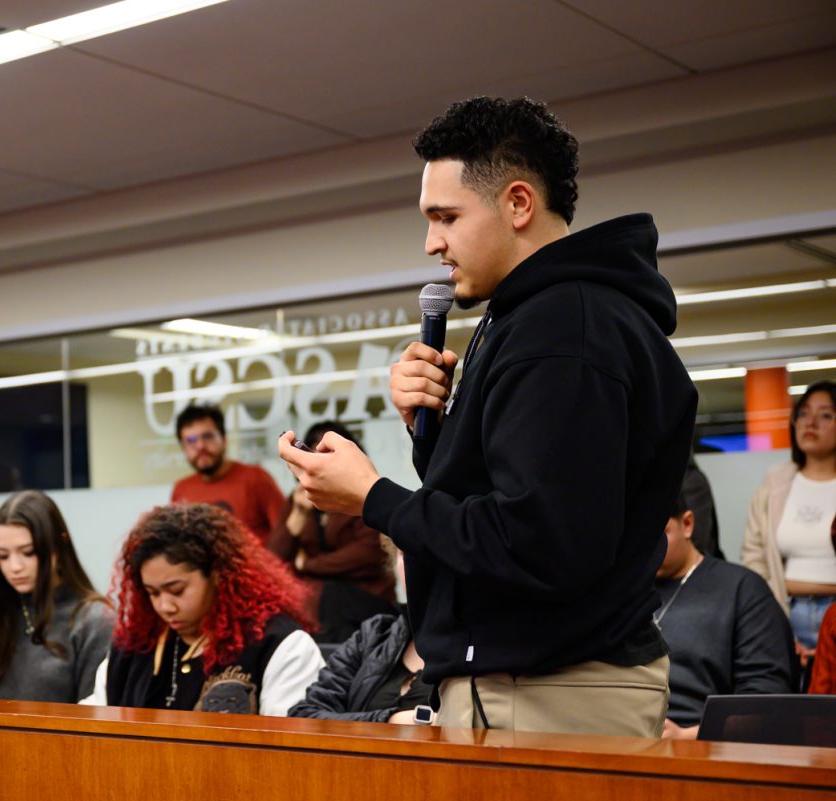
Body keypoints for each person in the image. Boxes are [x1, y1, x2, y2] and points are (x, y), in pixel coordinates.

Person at [279, 96, 697, 737]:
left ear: (519, 204)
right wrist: (433, 431)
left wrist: (373, 498)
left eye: (446, 217)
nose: (431, 243)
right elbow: (517, 501)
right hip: (532, 681)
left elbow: (537, 543)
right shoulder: (533, 317)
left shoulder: (563, 328)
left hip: (549, 689)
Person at [82, 504, 324, 715]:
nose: (165, 606)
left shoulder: (279, 644)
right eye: (152, 593)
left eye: (177, 590)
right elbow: (96, 719)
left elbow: (291, 748)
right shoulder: (132, 647)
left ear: (218, 575)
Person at [655, 493, 794, 739]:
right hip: (621, 732)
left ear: (687, 524)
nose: (645, 548)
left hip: (702, 741)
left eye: (658, 534)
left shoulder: (742, 589)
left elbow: (766, 699)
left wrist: (690, 736)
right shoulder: (621, 593)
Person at [0, 490, 112, 701]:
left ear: (60, 545)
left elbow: (95, 721)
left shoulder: (94, 620)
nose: (15, 567)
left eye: (28, 552)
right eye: (2, 556)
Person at [266, 421, 396, 643]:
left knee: (325, 596)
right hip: (319, 611)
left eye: (328, 454)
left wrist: (305, 565)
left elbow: (367, 554)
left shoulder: (363, 492)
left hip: (368, 603)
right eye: (313, 453)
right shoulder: (298, 499)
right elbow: (271, 564)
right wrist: (298, 514)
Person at [742, 381, 836, 673]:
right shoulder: (776, 481)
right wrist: (772, 621)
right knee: (795, 714)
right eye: (803, 413)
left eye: (826, 415)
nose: (810, 423)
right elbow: (753, 555)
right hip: (783, 612)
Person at [289, 546, 428, 723]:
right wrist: (393, 720)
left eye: (429, 552)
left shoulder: (471, 649)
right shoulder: (374, 635)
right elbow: (304, 717)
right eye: (404, 553)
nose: (413, 564)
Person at [171, 405, 285, 545]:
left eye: (208, 436)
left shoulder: (255, 477)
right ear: (183, 448)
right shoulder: (181, 490)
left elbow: (285, 535)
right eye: (191, 440)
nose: (200, 446)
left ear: (224, 439)